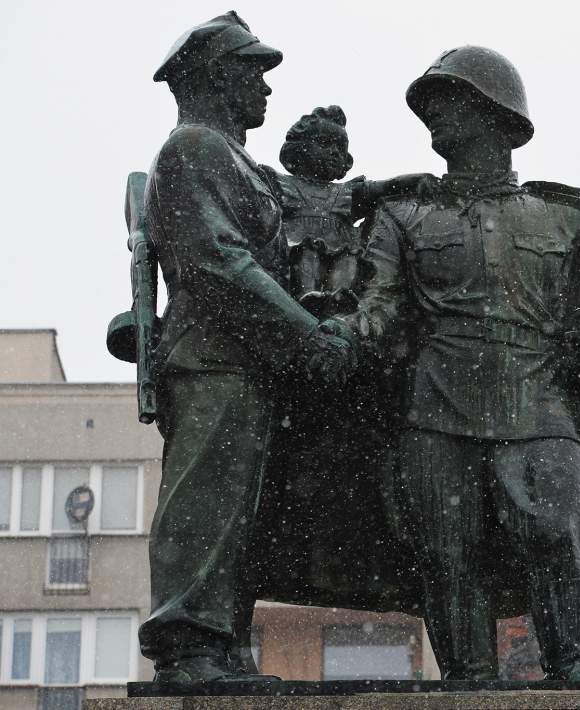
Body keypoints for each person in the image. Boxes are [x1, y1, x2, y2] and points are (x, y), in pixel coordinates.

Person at [344, 46, 580, 681]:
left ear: (495, 113)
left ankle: (574, 663)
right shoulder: (402, 213)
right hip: (436, 405)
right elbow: (380, 305)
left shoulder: (568, 218)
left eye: (448, 102)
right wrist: (339, 332)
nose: (432, 117)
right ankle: (471, 677)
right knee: (448, 553)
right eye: (428, 106)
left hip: (538, 403)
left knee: (560, 531)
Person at [137, 11, 354, 685]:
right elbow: (218, 262)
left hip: (248, 366)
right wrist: (304, 329)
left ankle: (222, 642)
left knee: (241, 511)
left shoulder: (234, 159)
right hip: (213, 360)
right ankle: (187, 643)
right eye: (250, 73)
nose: (264, 88)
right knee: (207, 500)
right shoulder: (193, 149)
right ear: (212, 78)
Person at [265, 105, 427, 318]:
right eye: (325, 143)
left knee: (350, 257)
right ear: (298, 150)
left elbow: (384, 187)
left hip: (340, 246)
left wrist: (415, 180)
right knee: (307, 251)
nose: (334, 152)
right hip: (293, 248)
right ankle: (307, 297)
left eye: (340, 148)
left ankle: (341, 299)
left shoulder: (347, 191)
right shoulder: (280, 183)